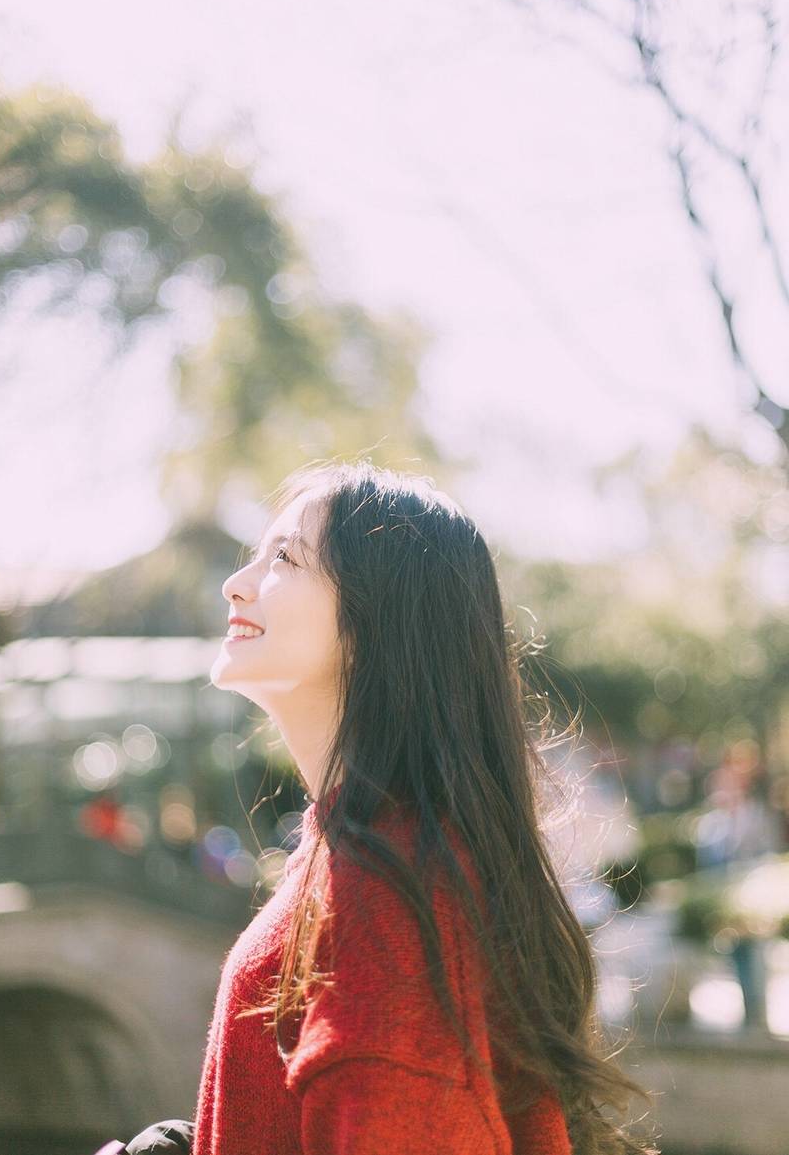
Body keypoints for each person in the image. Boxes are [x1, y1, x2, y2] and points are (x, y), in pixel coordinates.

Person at [118, 459, 662, 1155]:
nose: (236, 582)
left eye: (283, 557)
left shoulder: (388, 895)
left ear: (376, 619)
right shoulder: (365, 852)